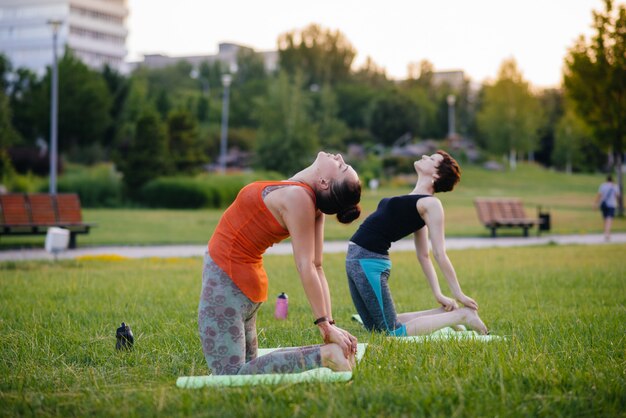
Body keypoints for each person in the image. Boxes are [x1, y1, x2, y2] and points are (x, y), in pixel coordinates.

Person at [199, 152, 362, 375]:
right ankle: (329, 353)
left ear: (324, 182)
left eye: (342, 166)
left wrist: (325, 324)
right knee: (245, 369)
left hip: (225, 282)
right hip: (240, 283)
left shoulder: (299, 198)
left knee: (229, 374)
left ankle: (326, 356)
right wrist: (329, 325)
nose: (340, 157)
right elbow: (316, 265)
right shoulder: (304, 197)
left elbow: (309, 265)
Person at [345, 150, 488, 337]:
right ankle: (446, 315)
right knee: (373, 328)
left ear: (436, 174)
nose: (425, 157)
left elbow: (438, 253)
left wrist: (458, 294)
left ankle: (462, 316)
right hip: (356, 260)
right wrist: (438, 294)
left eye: (432, 159)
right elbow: (423, 256)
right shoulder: (413, 200)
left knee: (392, 332)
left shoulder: (431, 204)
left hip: (369, 262)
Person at [594, 175, 621, 241]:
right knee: (610, 219)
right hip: (612, 204)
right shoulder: (615, 186)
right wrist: (619, 204)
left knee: (605, 219)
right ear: (612, 180)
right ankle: (607, 233)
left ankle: (606, 232)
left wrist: (595, 203)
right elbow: (617, 196)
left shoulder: (603, 185)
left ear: (606, 180)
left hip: (603, 204)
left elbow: (599, 195)